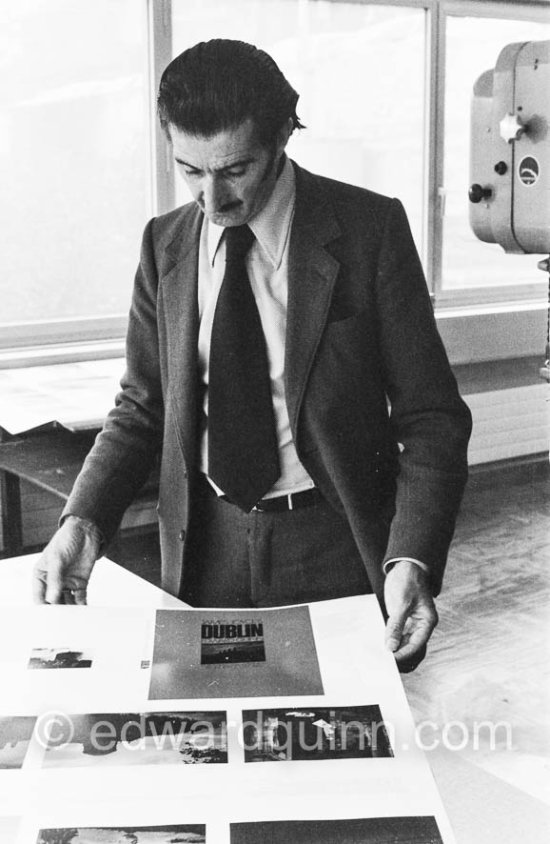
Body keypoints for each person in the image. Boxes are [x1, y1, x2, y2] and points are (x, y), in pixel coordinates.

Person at [33, 39, 472, 671]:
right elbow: (141, 406)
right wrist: (83, 522)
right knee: (210, 753)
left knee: (340, 750)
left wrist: (412, 557)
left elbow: (432, 419)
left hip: (335, 543)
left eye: (233, 170)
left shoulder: (370, 231)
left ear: (281, 140)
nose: (211, 201)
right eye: (190, 170)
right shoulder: (165, 245)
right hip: (204, 547)